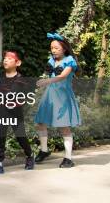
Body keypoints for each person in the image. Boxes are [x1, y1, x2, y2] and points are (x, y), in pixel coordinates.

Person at [34, 32, 81, 168]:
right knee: (40, 122)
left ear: (64, 48)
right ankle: (44, 150)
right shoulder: (52, 60)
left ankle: (68, 158)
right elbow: (49, 74)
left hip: (63, 95)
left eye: (56, 48)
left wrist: (47, 80)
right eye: (52, 48)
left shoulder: (69, 60)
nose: (53, 50)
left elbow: (62, 77)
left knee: (63, 126)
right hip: (50, 95)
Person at [0, 50, 34, 174]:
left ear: (18, 63)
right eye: (5, 58)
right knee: (0, 136)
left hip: (15, 111)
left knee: (20, 136)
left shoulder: (20, 79)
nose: (6, 60)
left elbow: (12, 94)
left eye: (10, 58)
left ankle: (30, 155)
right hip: (2, 110)